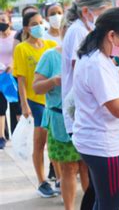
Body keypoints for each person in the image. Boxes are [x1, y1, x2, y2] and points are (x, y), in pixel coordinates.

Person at [71, 7, 119, 210]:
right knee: (110, 204)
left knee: (100, 199)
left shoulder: (98, 57)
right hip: (102, 146)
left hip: (92, 140)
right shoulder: (96, 63)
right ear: (111, 35)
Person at [61, 0, 112, 210]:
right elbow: (83, 70)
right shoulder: (78, 32)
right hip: (83, 115)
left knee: (96, 187)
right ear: (86, 11)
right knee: (99, 187)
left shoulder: (82, 29)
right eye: (102, 12)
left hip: (84, 115)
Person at [33, 20, 86, 210]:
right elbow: (36, 86)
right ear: (63, 31)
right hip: (59, 121)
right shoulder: (50, 56)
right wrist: (54, 81)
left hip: (86, 121)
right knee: (69, 168)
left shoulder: (89, 55)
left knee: (86, 169)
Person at [12, 11, 57, 198]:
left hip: (54, 102)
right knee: (40, 143)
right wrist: (24, 105)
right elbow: (21, 80)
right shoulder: (22, 48)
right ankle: (41, 182)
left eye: (40, 22)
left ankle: (58, 177)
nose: (39, 26)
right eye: (34, 23)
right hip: (35, 101)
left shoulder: (51, 45)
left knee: (55, 142)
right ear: (26, 28)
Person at [0, 11, 21, 148]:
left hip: (13, 74)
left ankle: (18, 135)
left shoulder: (15, 36)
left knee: (16, 106)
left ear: (9, 22)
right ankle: (1, 136)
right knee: (1, 106)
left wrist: (12, 65)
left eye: (3, 20)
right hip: (1, 75)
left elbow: (17, 54)